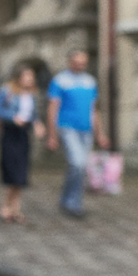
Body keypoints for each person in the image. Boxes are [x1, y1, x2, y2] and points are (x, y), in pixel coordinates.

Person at [46, 49, 110, 217]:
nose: (81, 64)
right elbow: (52, 108)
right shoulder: (60, 80)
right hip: (67, 127)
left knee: (78, 166)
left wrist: (100, 134)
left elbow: (94, 110)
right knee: (77, 163)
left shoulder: (90, 82)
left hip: (86, 129)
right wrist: (52, 135)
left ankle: (67, 199)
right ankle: (74, 204)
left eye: (83, 62)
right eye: (78, 61)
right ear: (70, 61)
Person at [0, 64, 44, 223]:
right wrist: (13, 117)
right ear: (18, 77)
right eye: (26, 76)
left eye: (31, 77)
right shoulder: (7, 91)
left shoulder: (32, 94)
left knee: (21, 172)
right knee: (13, 170)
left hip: (24, 133)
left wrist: (37, 124)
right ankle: (6, 207)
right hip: (10, 132)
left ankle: (14, 209)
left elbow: (33, 114)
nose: (29, 79)